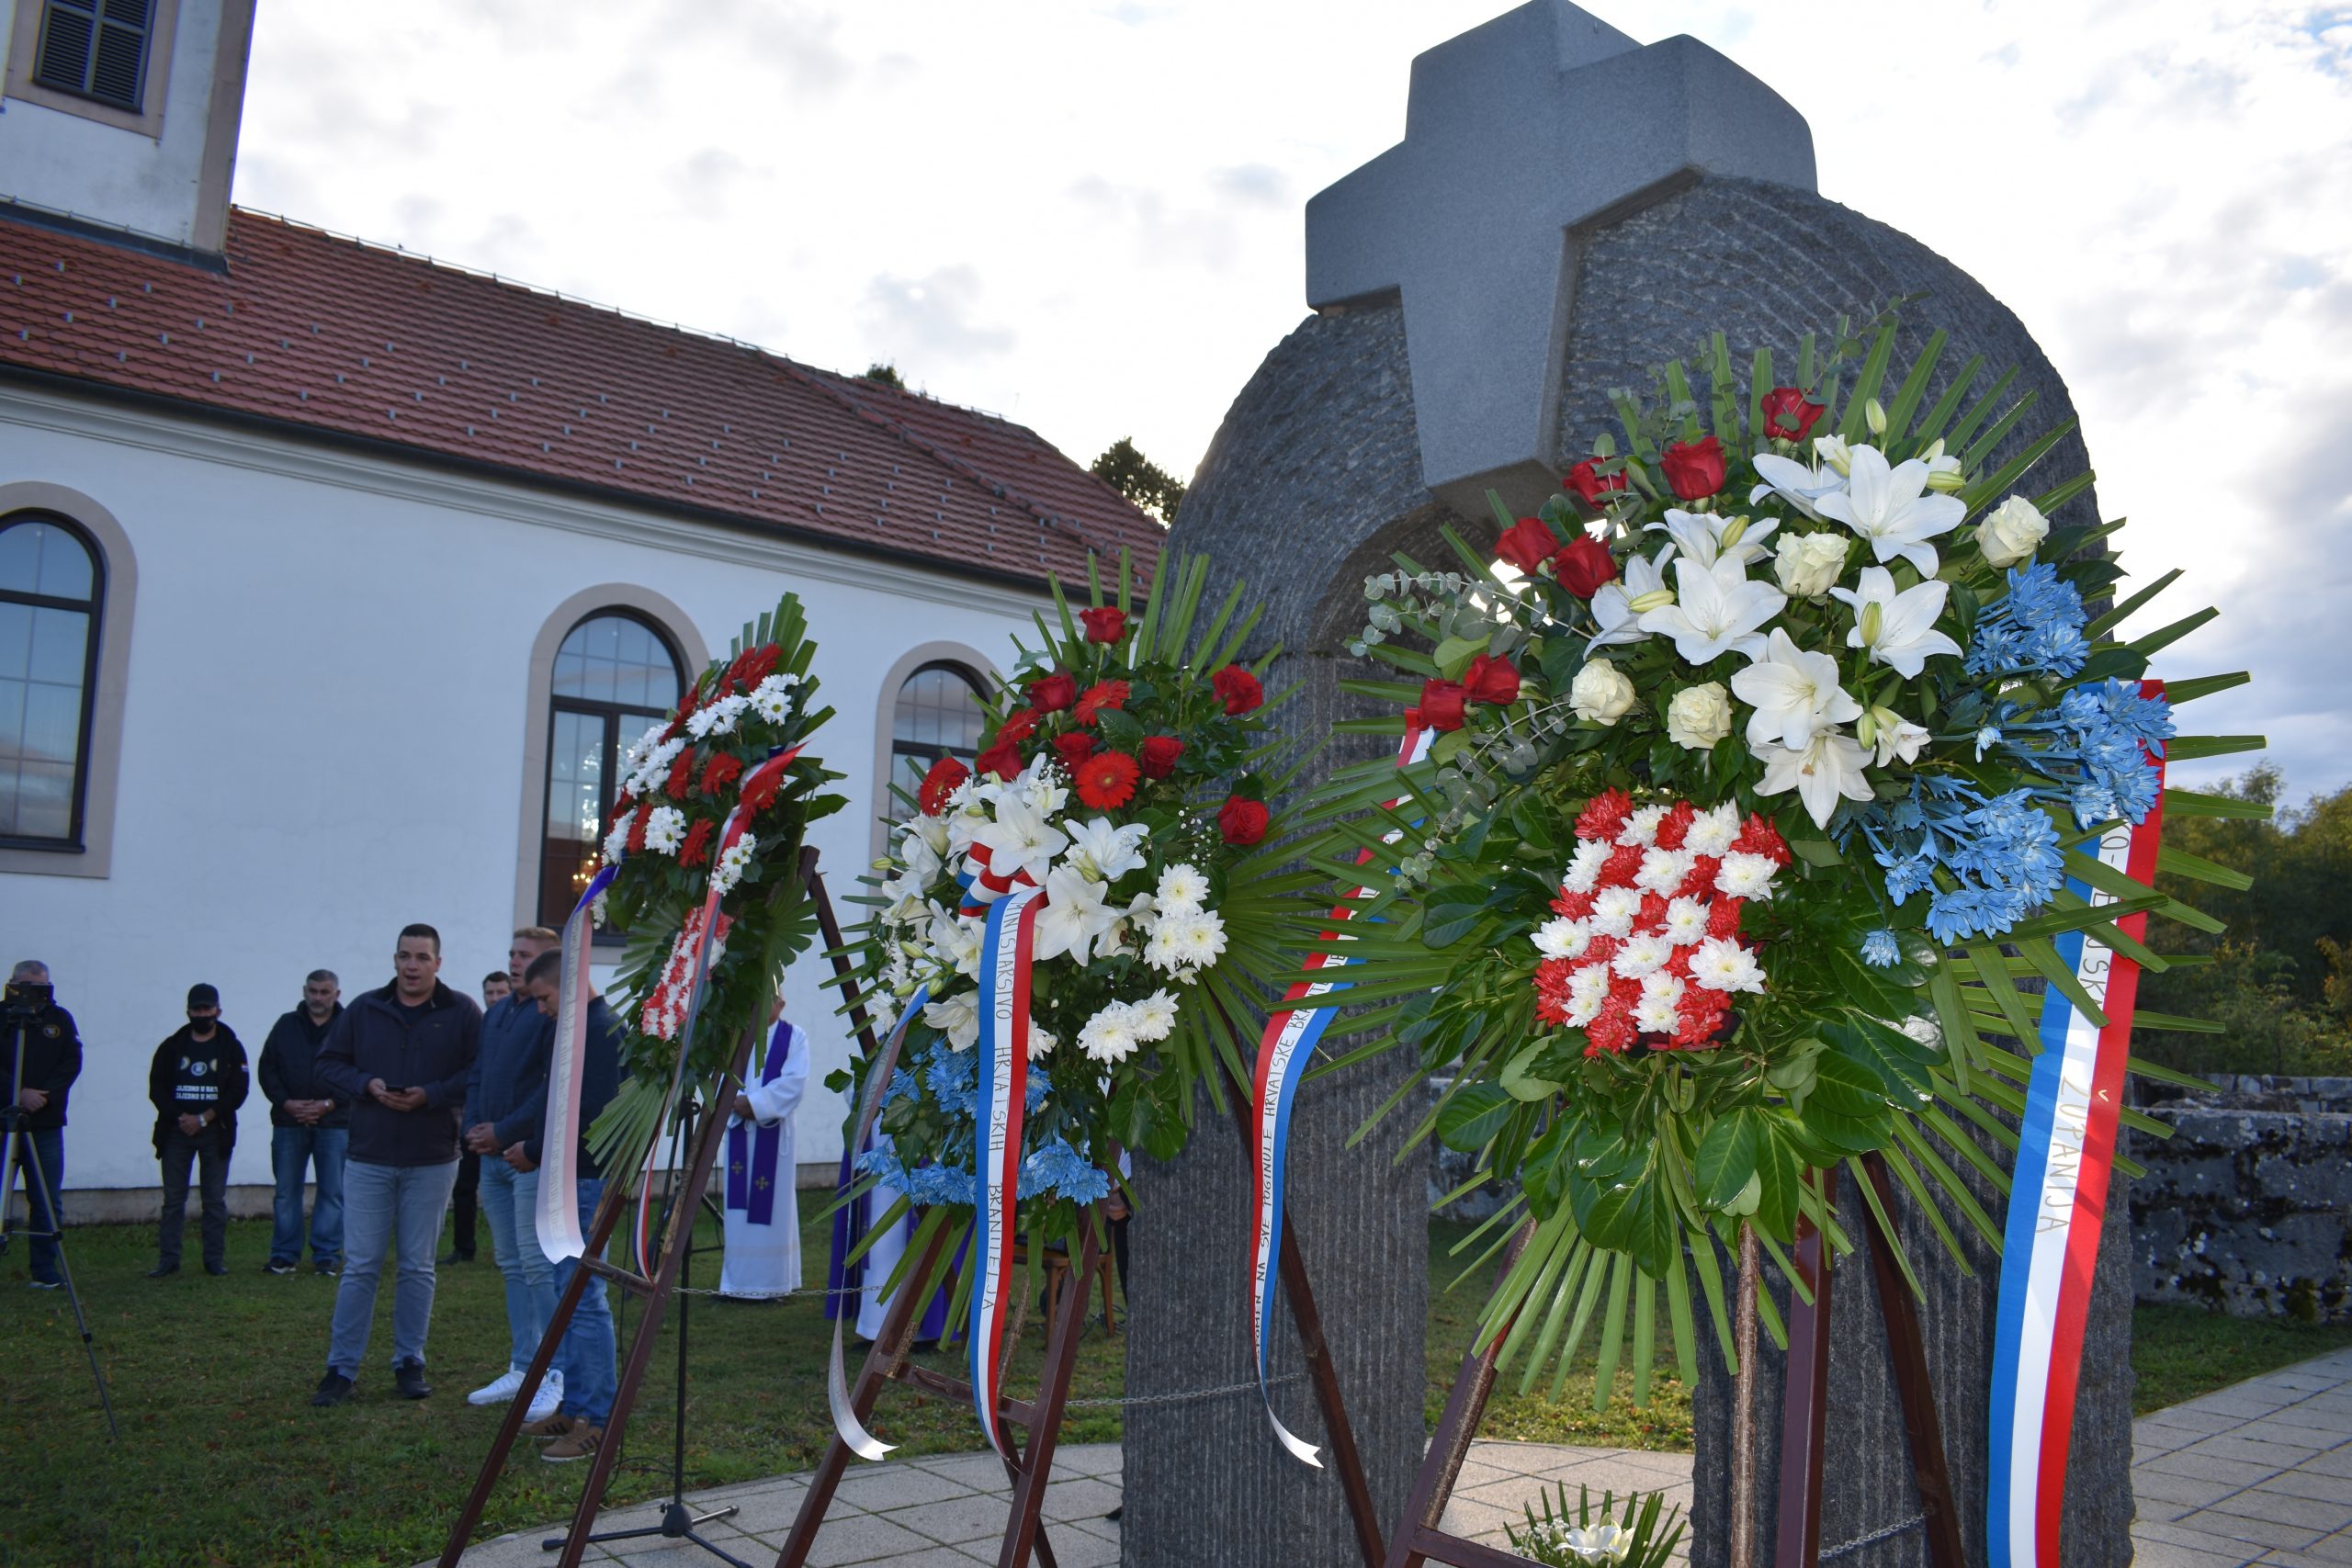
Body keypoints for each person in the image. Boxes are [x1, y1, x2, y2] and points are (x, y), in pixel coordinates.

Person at [309, 924, 481, 1405]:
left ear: (438, 963)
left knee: (417, 1267)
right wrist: (367, 1085)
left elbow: (479, 1072)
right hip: (369, 1156)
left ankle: (410, 1360)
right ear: (394, 959)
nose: (411, 965)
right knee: (360, 1265)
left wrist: (433, 1095)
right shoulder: (365, 1009)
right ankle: (341, 1368)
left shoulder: (462, 1011)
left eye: (422, 957)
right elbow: (327, 1065)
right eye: (404, 956)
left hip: (432, 1157)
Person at [515, 948, 621, 1462]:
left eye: (544, 997)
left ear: (572, 986)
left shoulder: (602, 1031)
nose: (541, 1009)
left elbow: (589, 1114)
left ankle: (596, 1418)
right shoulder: (580, 1029)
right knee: (568, 1293)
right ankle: (577, 1402)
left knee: (583, 1296)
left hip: (585, 1179)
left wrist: (536, 1150)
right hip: (567, 1177)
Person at [460, 928, 562, 1421]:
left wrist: (504, 1130)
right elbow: (479, 1073)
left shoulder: (552, 1017)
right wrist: (472, 1130)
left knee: (535, 1263)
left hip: (525, 1155)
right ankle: (524, 1364)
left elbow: (549, 1088)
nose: (516, 962)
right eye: (513, 954)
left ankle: (552, 1369)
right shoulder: (499, 1012)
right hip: (490, 1156)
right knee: (509, 1263)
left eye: (526, 956)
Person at [146, 984, 249, 1279]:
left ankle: (214, 1260)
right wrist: (181, 1117)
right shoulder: (171, 1047)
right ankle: (168, 1260)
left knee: (214, 1200)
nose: (202, 1014)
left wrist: (205, 1118)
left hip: (216, 1132)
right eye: (197, 1009)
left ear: (218, 1010)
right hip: (176, 1132)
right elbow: (157, 1088)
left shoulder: (231, 1047)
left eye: (207, 1009)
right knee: (173, 1200)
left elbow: (238, 1091)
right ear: (188, 1011)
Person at [718, 999, 810, 1300]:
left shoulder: (794, 1036)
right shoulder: (737, 1036)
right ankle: (738, 1284)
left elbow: (794, 1083)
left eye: (767, 999)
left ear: (781, 1003)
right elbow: (722, 1075)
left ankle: (773, 1284)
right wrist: (736, 1102)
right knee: (738, 1212)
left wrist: (754, 1104)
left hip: (773, 1135)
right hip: (740, 1134)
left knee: (775, 1210)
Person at [257, 970, 347, 1277]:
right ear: (304, 991)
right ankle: (284, 1255)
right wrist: (287, 1103)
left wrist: (329, 1104)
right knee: (286, 1191)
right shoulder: (285, 1026)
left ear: (336, 994)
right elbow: (267, 1069)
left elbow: (360, 1070)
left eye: (324, 992)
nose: (318, 998)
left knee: (333, 1191)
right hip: (288, 1122)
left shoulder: (349, 1027)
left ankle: (327, 1255)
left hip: (335, 1123)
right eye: (313, 991)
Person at [4, 960, 80, 1291]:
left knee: (47, 1198)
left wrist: (43, 1096)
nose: (37, 995)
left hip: (45, 1123)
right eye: (29, 987)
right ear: (14, 985)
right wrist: (17, 1092)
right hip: (4, 1120)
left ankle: (44, 1269)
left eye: (43, 988)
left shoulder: (59, 1019)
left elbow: (72, 1061)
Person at [441, 971, 510, 1267]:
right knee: (465, 1186)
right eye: (489, 993)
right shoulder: (479, 1028)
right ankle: (463, 1248)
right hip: (473, 1119)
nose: (494, 999)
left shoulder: (521, 1027)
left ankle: (507, 1250)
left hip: (508, 1124)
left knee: (510, 1190)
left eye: (500, 993)